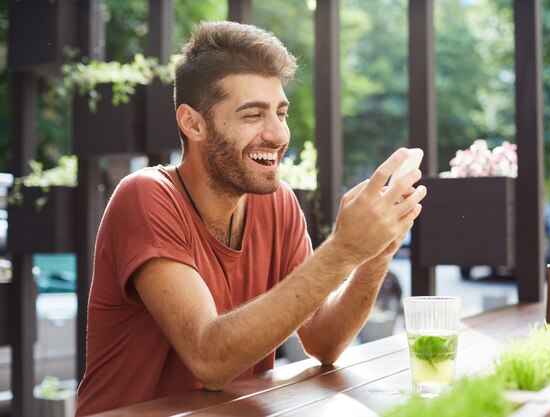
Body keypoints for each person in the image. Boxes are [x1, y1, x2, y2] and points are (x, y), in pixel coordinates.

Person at [75, 20, 426, 415]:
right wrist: (343, 249)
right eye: (252, 115)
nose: (278, 135)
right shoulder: (145, 197)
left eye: (280, 112)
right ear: (193, 123)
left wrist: (375, 252)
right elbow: (210, 359)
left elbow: (324, 343)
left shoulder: (278, 203)